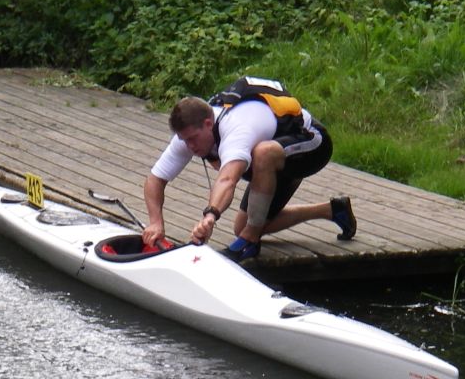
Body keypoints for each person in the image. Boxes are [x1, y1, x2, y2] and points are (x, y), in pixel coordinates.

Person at [142, 77, 357, 261]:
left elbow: (227, 180)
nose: (190, 146)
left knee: (263, 153)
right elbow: (155, 179)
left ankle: (250, 242)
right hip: (274, 163)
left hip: (311, 146)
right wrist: (155, 223)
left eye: (192, 139)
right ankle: (332, 210)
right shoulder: (190, 134)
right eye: (184, 140)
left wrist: (210, 216)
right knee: (241, 226)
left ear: (208, 123)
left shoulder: (236, 128)